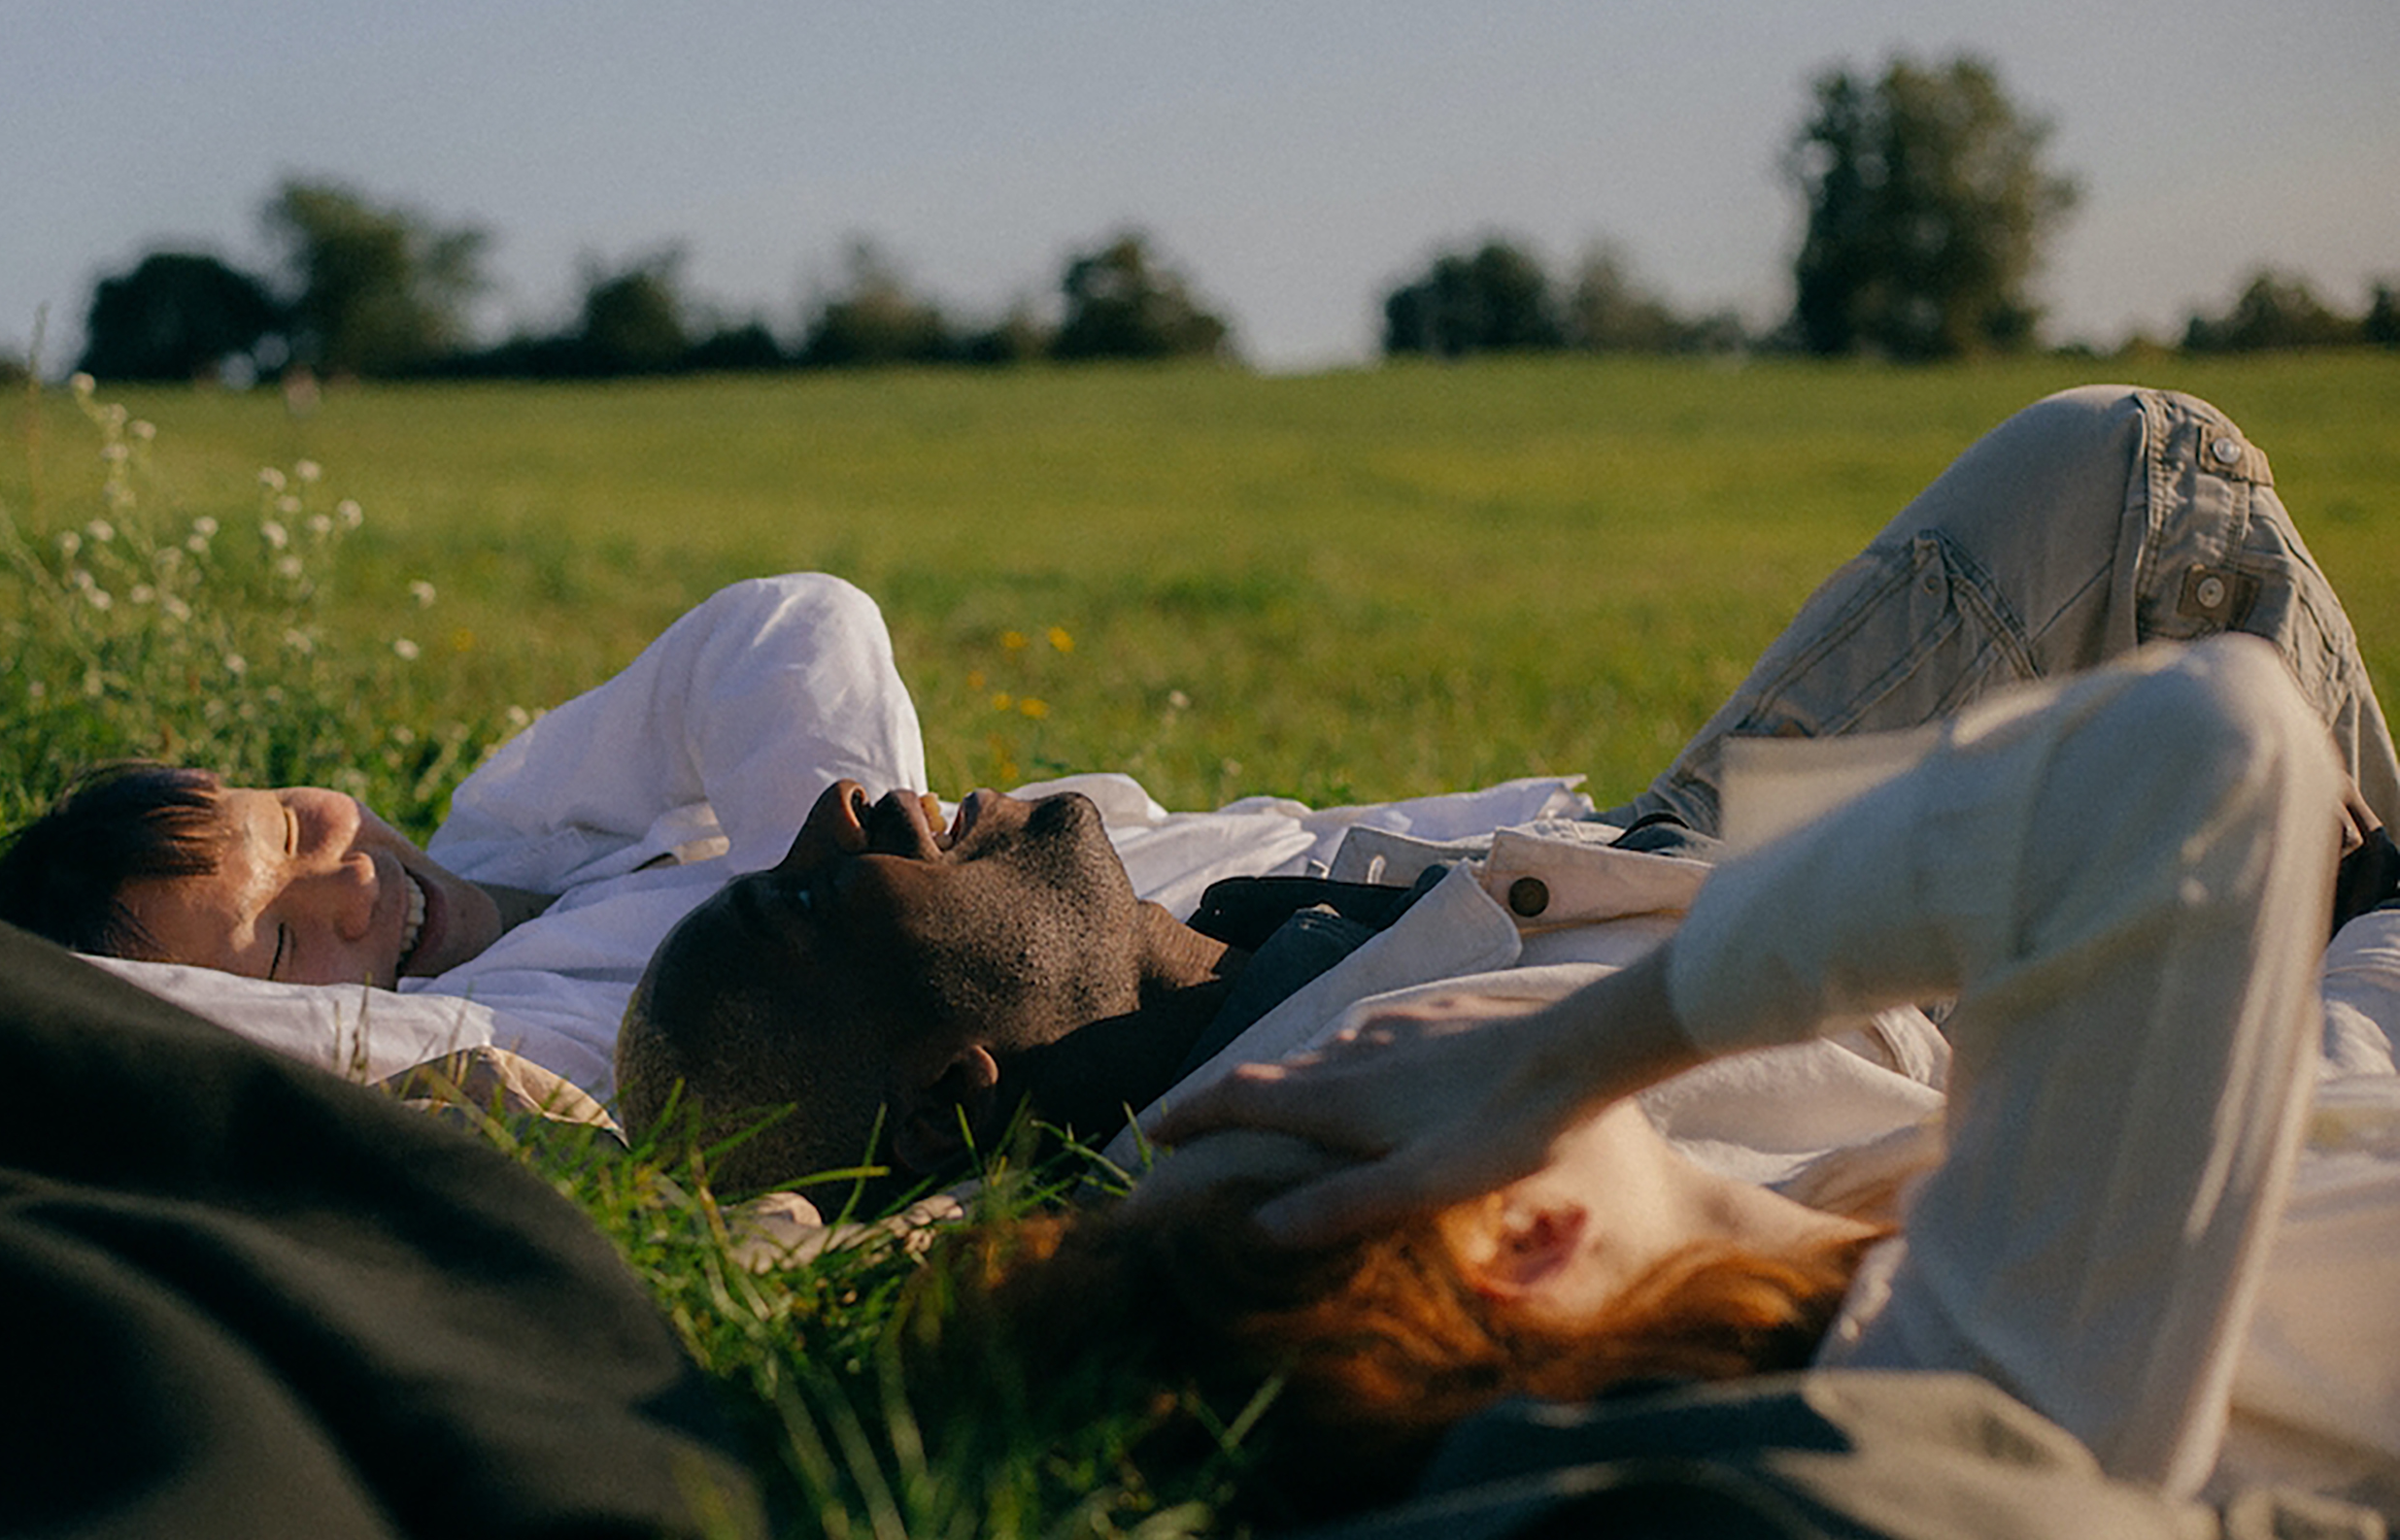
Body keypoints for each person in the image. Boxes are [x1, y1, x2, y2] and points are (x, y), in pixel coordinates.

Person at [615, 385, 2400, 1209]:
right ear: (949, 1100)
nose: (844, 810)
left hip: (1677, 844)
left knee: (2123, 465)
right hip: (1824, 947)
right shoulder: (1345, 1135)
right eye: (798, 896)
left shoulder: (1206, 923)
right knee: (2173, 548)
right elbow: (1903, 1116)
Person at [999, 633, 2400, 1515]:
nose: (1356, 1050)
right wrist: (1562, 1051)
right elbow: (2209, 740)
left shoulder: (1873, 1239)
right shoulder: (1975, 1391)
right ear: (1536, 1241)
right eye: (1349, 1107)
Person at [0, 570, 1580, 1101]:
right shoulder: (514, 1029)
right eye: (277, 941)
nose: (345, 893)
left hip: (1322, 850)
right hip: (1318, 969)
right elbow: (153, 1016)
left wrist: (857, 878)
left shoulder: (519, 822)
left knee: (1706, 808)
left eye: (295, 828)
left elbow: (784, 627)